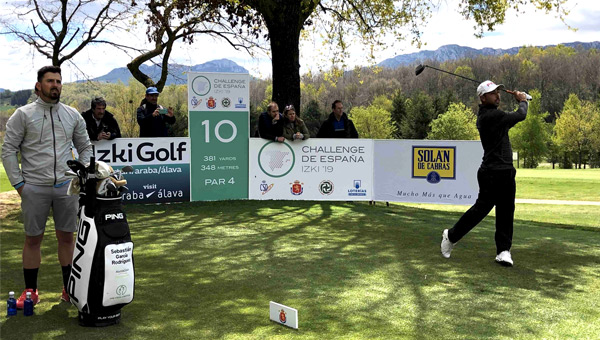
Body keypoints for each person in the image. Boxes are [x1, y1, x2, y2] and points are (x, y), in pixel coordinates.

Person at [2, 65, 93, 308]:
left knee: (67, 238)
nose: (56, 85)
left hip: (66, 186)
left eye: (59, 81)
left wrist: (80, 173)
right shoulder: (22, 114)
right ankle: (30, 292)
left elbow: (85, 147)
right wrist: (19, 184)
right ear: (38, 85)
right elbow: (8, 150)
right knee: (33, 239)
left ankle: (69, 289)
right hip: (34, 186)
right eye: (50, 81)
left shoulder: (72, 114)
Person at [441, 80, 528, 266]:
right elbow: (521, 115)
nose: (497, 95)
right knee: (481, 210)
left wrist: (519, 100)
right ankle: (451, 235)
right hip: (491, 172)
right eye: (492, 93)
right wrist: (522, 100)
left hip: (505, 171)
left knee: (506, 212)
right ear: (482, 97)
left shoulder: (495, 115)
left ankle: (503, 251)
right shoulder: (489, 117)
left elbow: (511, 118)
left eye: (498, 92)